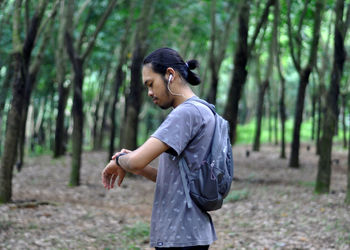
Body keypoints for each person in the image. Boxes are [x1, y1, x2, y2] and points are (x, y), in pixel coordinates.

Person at [102, 48, 217, 249]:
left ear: (170, 75)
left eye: (151, 84)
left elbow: (137, 159)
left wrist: (120, 159)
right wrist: (133, 165)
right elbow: (179, 177)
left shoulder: (185, 113)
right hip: (192, 232)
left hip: (180, 234)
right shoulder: (204, 110)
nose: (150, 93)